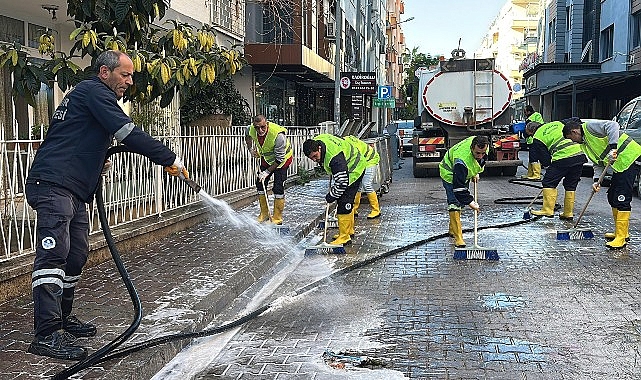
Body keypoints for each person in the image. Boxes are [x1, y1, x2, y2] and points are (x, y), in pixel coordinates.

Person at [25, 50, 189, 361]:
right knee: (53, 256)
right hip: (53, 185)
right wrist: (168, 159)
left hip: (72, 188)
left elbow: (78, 136)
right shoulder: (94, 92)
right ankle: (46, 334)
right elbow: (126, 131)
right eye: (125, 74)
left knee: (75, 255)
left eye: (131, 75)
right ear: (104, 72)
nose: (130, 81)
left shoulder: (89, 96)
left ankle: (62, 318)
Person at [563, 118, 641, 248]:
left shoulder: (589, 127)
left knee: (621, 198)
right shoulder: (585, 144)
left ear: (574, 131)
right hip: (620, 165)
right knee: (612, 197)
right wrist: (596, 181)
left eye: (571, 138)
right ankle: (621, 232)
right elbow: (597, 163)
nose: (572, 141)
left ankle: (621, 238)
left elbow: (613, 125)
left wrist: (613, 148)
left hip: (630, 157)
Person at [303, 134, 367, 246]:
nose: (314, 160)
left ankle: (344, 237)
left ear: (319, 148)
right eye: (311, 158)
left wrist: (331, 196)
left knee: (344, 201)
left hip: (354, 168)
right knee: (345, 200)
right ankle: (348, 231)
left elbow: (342, 183)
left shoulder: (334, 158)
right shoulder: (319, 141)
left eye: (315, 156)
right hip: (347, 164)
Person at [529, 120, 587, 219]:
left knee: (548, 182)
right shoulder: (558, 123)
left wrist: (550, 166)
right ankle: (568, 213)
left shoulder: (537, 137)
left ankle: (547, 210)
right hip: (579, 156)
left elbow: (545, 160)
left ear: (533, 131)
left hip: (562, 158)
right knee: (571, 185)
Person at [439, 135, 489, 248]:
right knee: (455, 203)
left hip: (463, 173)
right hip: (450, 173)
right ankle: (459, 238)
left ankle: (452, 229)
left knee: (460, 202)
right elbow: (459, 188)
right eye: (477, 153)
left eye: (483, 153)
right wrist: (471, 203)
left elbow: (479, 162)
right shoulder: (461, 161)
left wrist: (476, 172)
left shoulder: (484, 146)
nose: (480, 156)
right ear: (472, 148)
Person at [244, 115, 293, 225]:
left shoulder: (278, 135)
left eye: (262, 127)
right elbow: (247, 135)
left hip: (282, 161)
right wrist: (250, 149)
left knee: (278, 188)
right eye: (257, 127)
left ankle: (277, 218)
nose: (260, 130)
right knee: (260, 183)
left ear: (267, 124)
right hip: (266, 159)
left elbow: (279, 159)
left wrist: (266, 172)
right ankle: (264, 214)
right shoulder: (250, 129)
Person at [344, 135, 381, 219]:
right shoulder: (344, 142)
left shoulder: (347, 147)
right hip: (362, 161)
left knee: (366, 184)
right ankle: (354, 209)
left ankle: (376, 210)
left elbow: (352, 161)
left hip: (370, 160)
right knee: (358, 186)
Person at [522, 105, 545, 180]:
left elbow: (539, 125)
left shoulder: (536, 116)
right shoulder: (530, 117)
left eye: (525, 112)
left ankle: (536, 174)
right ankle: (530, 173)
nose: (524, 113)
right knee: (531, 158)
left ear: (528, 111)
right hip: (531, 141)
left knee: (534, 157)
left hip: (535, 140)